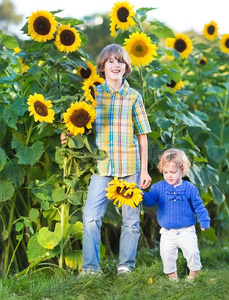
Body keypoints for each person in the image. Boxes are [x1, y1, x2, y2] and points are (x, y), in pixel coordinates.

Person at [62, 44, 152, 276]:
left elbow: (142, 136)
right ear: (102, 67)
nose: (116, 65)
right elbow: (82, 122)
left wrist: (144, 171)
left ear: (126, 67)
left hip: (130, 165)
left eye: (120, 61)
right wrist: (69, 132)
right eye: (110, 61)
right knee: (91, 216)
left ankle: (125, 266)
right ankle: (91, 268)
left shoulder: (134, 96)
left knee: (130, 220)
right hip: (102, 166)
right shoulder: (93, 94)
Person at [142, 148, 210, 282]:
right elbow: (149, 201)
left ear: (182, 171)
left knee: (192, 253)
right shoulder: (158, 187)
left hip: (186, 231)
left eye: (173, 172)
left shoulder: (190, 188)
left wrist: (204, 221)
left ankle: (192, 278)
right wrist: (141, 194)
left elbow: (199, 206)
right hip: (167, 232)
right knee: (167, 255)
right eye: (166, 172)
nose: (169, 175)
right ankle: (173, 281)